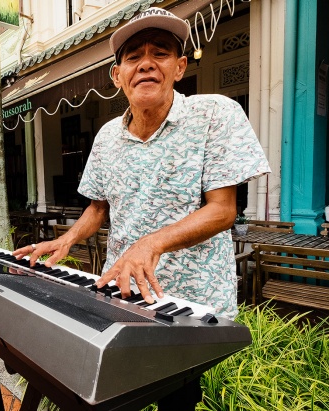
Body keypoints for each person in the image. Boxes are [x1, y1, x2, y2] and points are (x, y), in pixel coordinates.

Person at [13, 7, 270, 410]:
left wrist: (150, 243)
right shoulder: (106, 137)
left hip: (189, 299)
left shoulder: (216, 114)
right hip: (123, 292)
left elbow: (223, 211)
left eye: (161, 52)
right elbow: (99, 208)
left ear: (180, 67)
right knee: (113, 393)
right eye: (133, 56)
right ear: (118, 76)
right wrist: (65, 240)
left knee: (176, 397)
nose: (146, 63)